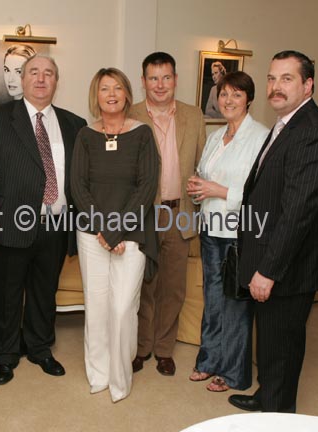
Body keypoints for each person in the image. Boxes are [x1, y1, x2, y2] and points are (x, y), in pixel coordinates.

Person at [228, 50, 318, 413]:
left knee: (283, 349)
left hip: (287, 269)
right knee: (272, 347)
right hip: (272, 258)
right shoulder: (286, 123)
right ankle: (266, 395)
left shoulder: (311, 133)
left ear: (308, 84)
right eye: (272, 79)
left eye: (287, 79)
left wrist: (268, 270)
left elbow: (297, 214)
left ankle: (277, 415)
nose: (276, 87)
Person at [0, 54, 86, 386]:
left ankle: (41, 349)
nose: (41, 79)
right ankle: (6, 356)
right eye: (34, 73)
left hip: (56, 224)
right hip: (10, 222)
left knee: (45, 292)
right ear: (23, 80)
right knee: (6, 295)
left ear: (57, 81)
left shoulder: (74, 124)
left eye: (49, 74)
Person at [71, 68, 159, 402]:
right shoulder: (85, 135)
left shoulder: (142, 134)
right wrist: (103, 229)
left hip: (132, 231)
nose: (111, 94)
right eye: (104, 88)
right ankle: (99, 373)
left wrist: (117, 229)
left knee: (123, 307)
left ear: (126, 94)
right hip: (92, 233)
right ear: (96, 95)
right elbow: (77, 185)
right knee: (96, 306)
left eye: (117, 88)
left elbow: (147, 185)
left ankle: (120, 379)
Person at [186, 71, 268, 393]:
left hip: (239, 231)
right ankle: (208, 360)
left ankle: (233, 372)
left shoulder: (261, 137)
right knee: (213, 298)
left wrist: (217, 189)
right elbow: (206, 176)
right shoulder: (214, 135)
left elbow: (259, 191)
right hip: (210, 228)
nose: (228, 100)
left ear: (249, 99)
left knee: (236, 303)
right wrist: (198, 187)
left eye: (236, 94)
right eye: (223, 94)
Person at [129, 52, 206, 376]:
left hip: (180, 214)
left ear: (175, 79)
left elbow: (202, 164)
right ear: (143, 81)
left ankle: (163, 349)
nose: (160, 85)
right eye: (153, 78)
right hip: (144, 215)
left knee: (173, 287)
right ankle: (141, 347)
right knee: (142, 284)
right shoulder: (129, 115)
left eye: (166, 77)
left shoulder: (194, 115)